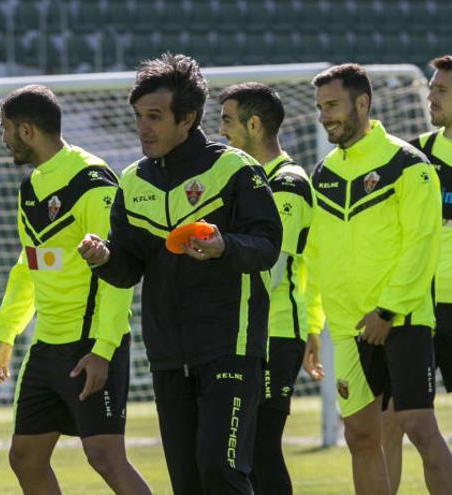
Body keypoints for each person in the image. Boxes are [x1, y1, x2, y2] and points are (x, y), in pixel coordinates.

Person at [78, 53, 282, 494]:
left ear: (187, 118)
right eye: (138, 117)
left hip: (230, 345)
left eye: (154, 117)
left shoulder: (234, 170)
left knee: (220, 469)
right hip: (168, 355)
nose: (143, 128)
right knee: (188, 482)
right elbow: (129, 267)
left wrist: (224, 246)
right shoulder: (132, 182)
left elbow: (268, 246)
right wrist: (103, 258)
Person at [0, 84, 151, 495]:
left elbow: (116, 270)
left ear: (26, 130)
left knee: (105, 458)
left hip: (90, 344)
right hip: (46, 346)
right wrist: (6, 335)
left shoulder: (93, 181)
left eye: (4, 129)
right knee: (25, 457)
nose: (2, 139)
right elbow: (29, 265)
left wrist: (103, 349)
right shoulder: (30, 188)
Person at [302, 63, 452, 494]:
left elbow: (421, 245)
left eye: (332, 105)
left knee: (419, 427)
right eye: (319, 107)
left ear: (362, 102)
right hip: (349, 328)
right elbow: (314, 254)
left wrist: (386, 309)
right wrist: (313, 323)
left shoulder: (408, 164)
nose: (324, 116)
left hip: (401, 318)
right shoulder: (323, 174)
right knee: (361, 437)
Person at [218, 82, 313, 495]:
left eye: (226, 120)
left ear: (253, 124)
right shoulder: (248, 180)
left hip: (274, 333)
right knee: (242, 450)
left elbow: (270, 267)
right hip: (246, 330)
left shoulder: (287, 184)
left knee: (261, 449)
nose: (219, 130)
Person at [382, 54, 452, 494]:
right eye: (430, 87)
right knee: (391, 421)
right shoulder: (412, 157)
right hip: (417, 310)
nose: (430, 96)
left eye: (441, 90)